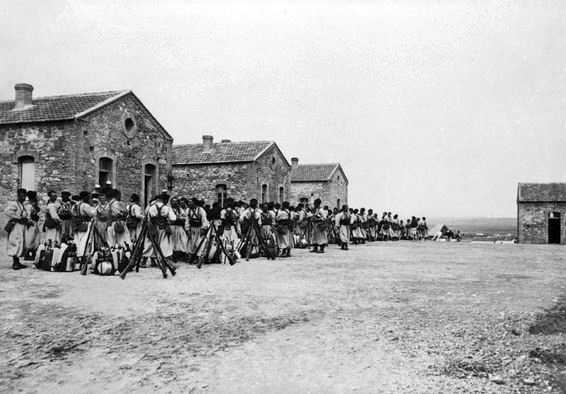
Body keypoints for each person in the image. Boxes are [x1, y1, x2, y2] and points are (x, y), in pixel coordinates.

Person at [146, 192, 176, 266]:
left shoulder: (151, 207)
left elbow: (148, 218)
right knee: (164, 244)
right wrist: (168, 220)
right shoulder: (167, 208)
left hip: (153, 228)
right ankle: (163, 261)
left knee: (152, 244)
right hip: (163, 228)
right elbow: (173, 218)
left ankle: (151, 260)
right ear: (164, 200)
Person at [5, 188, 31, 269]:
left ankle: (18, 262)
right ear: (18, 195)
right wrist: (18, 218)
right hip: (16, 225)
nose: (23, 198)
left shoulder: (23, 204)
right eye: (21, 196)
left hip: (23, 226)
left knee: (22, 243)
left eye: (24, 196)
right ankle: (15, 263)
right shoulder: (14, 204)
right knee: (16, 242)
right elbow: (7, 212)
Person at [73, 191, 96, 263]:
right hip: (85, 224)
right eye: (88, 197)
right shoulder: (85, 205)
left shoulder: (75, 205)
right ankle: (83, 256)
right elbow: (92, 214)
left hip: (77, 224)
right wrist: (94, 208)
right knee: (85, 240)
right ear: (84, 197)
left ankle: (77, 255)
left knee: (77, 240)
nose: (89, 198)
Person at [186, 197, 209, 263]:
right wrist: (187, 229)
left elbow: (204, 220)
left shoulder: (200, 210)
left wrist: (203, 228)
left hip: (199, 229)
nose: (189, 204)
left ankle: (199, 258)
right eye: (188, 202)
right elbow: (187, 221)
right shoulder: (188, 210)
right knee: (191, 243)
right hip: (192, 229)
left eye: (190, 202)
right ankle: (192, 257)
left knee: (199, 243)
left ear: (194, 203)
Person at [23, 190, 41, 260]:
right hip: (31, 223)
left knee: (36, 238)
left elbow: (37, 210)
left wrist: (35, 203)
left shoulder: (32, 204)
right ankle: (27, 253)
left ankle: (33, 252)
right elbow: (28, 215)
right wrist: (30, 222)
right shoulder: (28, 205)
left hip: (34, 223)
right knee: (30, 238)